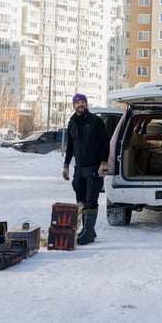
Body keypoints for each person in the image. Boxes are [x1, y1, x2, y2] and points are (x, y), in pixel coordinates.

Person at [62, 93, 109, 245]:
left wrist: (104, 162)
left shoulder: (95, 121)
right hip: (79, 167)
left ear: (86, 104)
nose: (80, 104)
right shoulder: (72, 123)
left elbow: (105, 142)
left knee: (91, 199)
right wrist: (66, 165)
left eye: (83, 102)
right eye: (77, 102)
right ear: (74, 105)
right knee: (80, 198)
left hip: (94, 167)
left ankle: (88, 234)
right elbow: (70, 146)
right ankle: (88, 229)